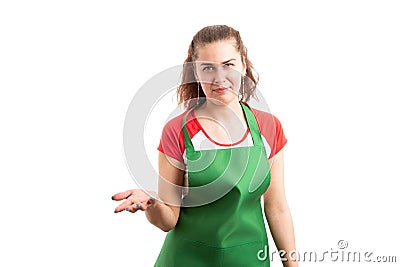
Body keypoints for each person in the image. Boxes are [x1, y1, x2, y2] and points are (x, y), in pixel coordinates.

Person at [112, 25, 298, 267]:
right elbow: (168, 219)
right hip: (188, 259)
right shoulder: (177, 131)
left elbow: (277, 207)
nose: (219, 78)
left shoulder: (268, 127)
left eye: (228, 65)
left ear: (243, 64)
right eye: (207, 68)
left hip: (248, 260)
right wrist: (152, 204)